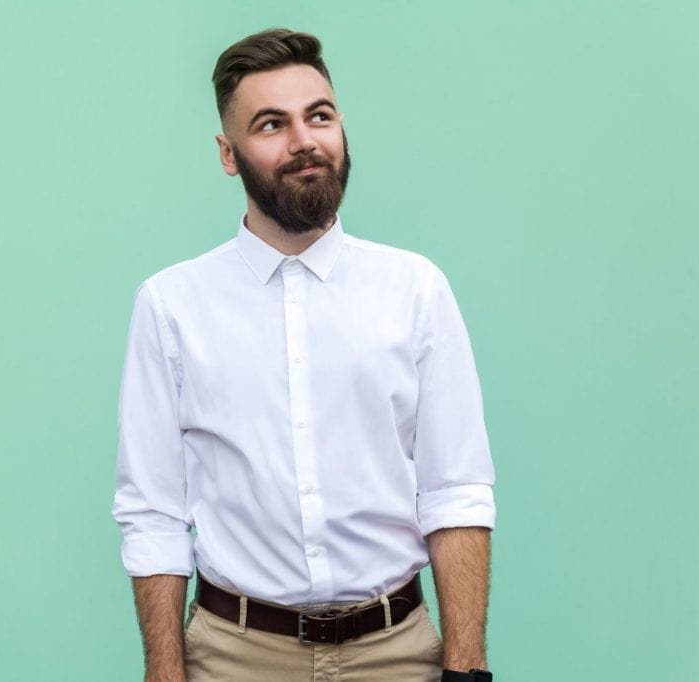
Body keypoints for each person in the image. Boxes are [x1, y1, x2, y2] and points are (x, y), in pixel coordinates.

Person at [112, 27, 496, 682]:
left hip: (396, 653)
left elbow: (455, 491)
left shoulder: (415, 290)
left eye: (319, 116)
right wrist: (165, 672)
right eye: (271, 124)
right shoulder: (172, 306)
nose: (303, 142)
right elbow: (154, 511)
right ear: (228, 154)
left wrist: (465, 668)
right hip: (234, 658)